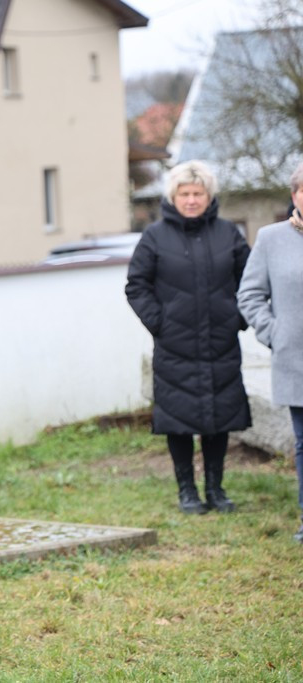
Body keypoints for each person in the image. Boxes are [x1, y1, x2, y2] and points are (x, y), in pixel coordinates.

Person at [126, 160, 252, 515]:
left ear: (209, 196)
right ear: (173, 196)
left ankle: (215, 489)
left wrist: (237, 319)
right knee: (178, 421)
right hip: (174, 347)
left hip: (221, 344)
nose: (192, 200)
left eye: (198, 193)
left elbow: (251, 280)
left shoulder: (228, 234)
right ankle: (187, 491)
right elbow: (136, 286)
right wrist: (160, 323)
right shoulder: (155, 236)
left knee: (219, 418)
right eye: (185, 193)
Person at [237, 161, 303, 542]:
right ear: (294, 195)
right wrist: (275, 333)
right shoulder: (271, 238)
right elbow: (249, 294)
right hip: (296, 360)